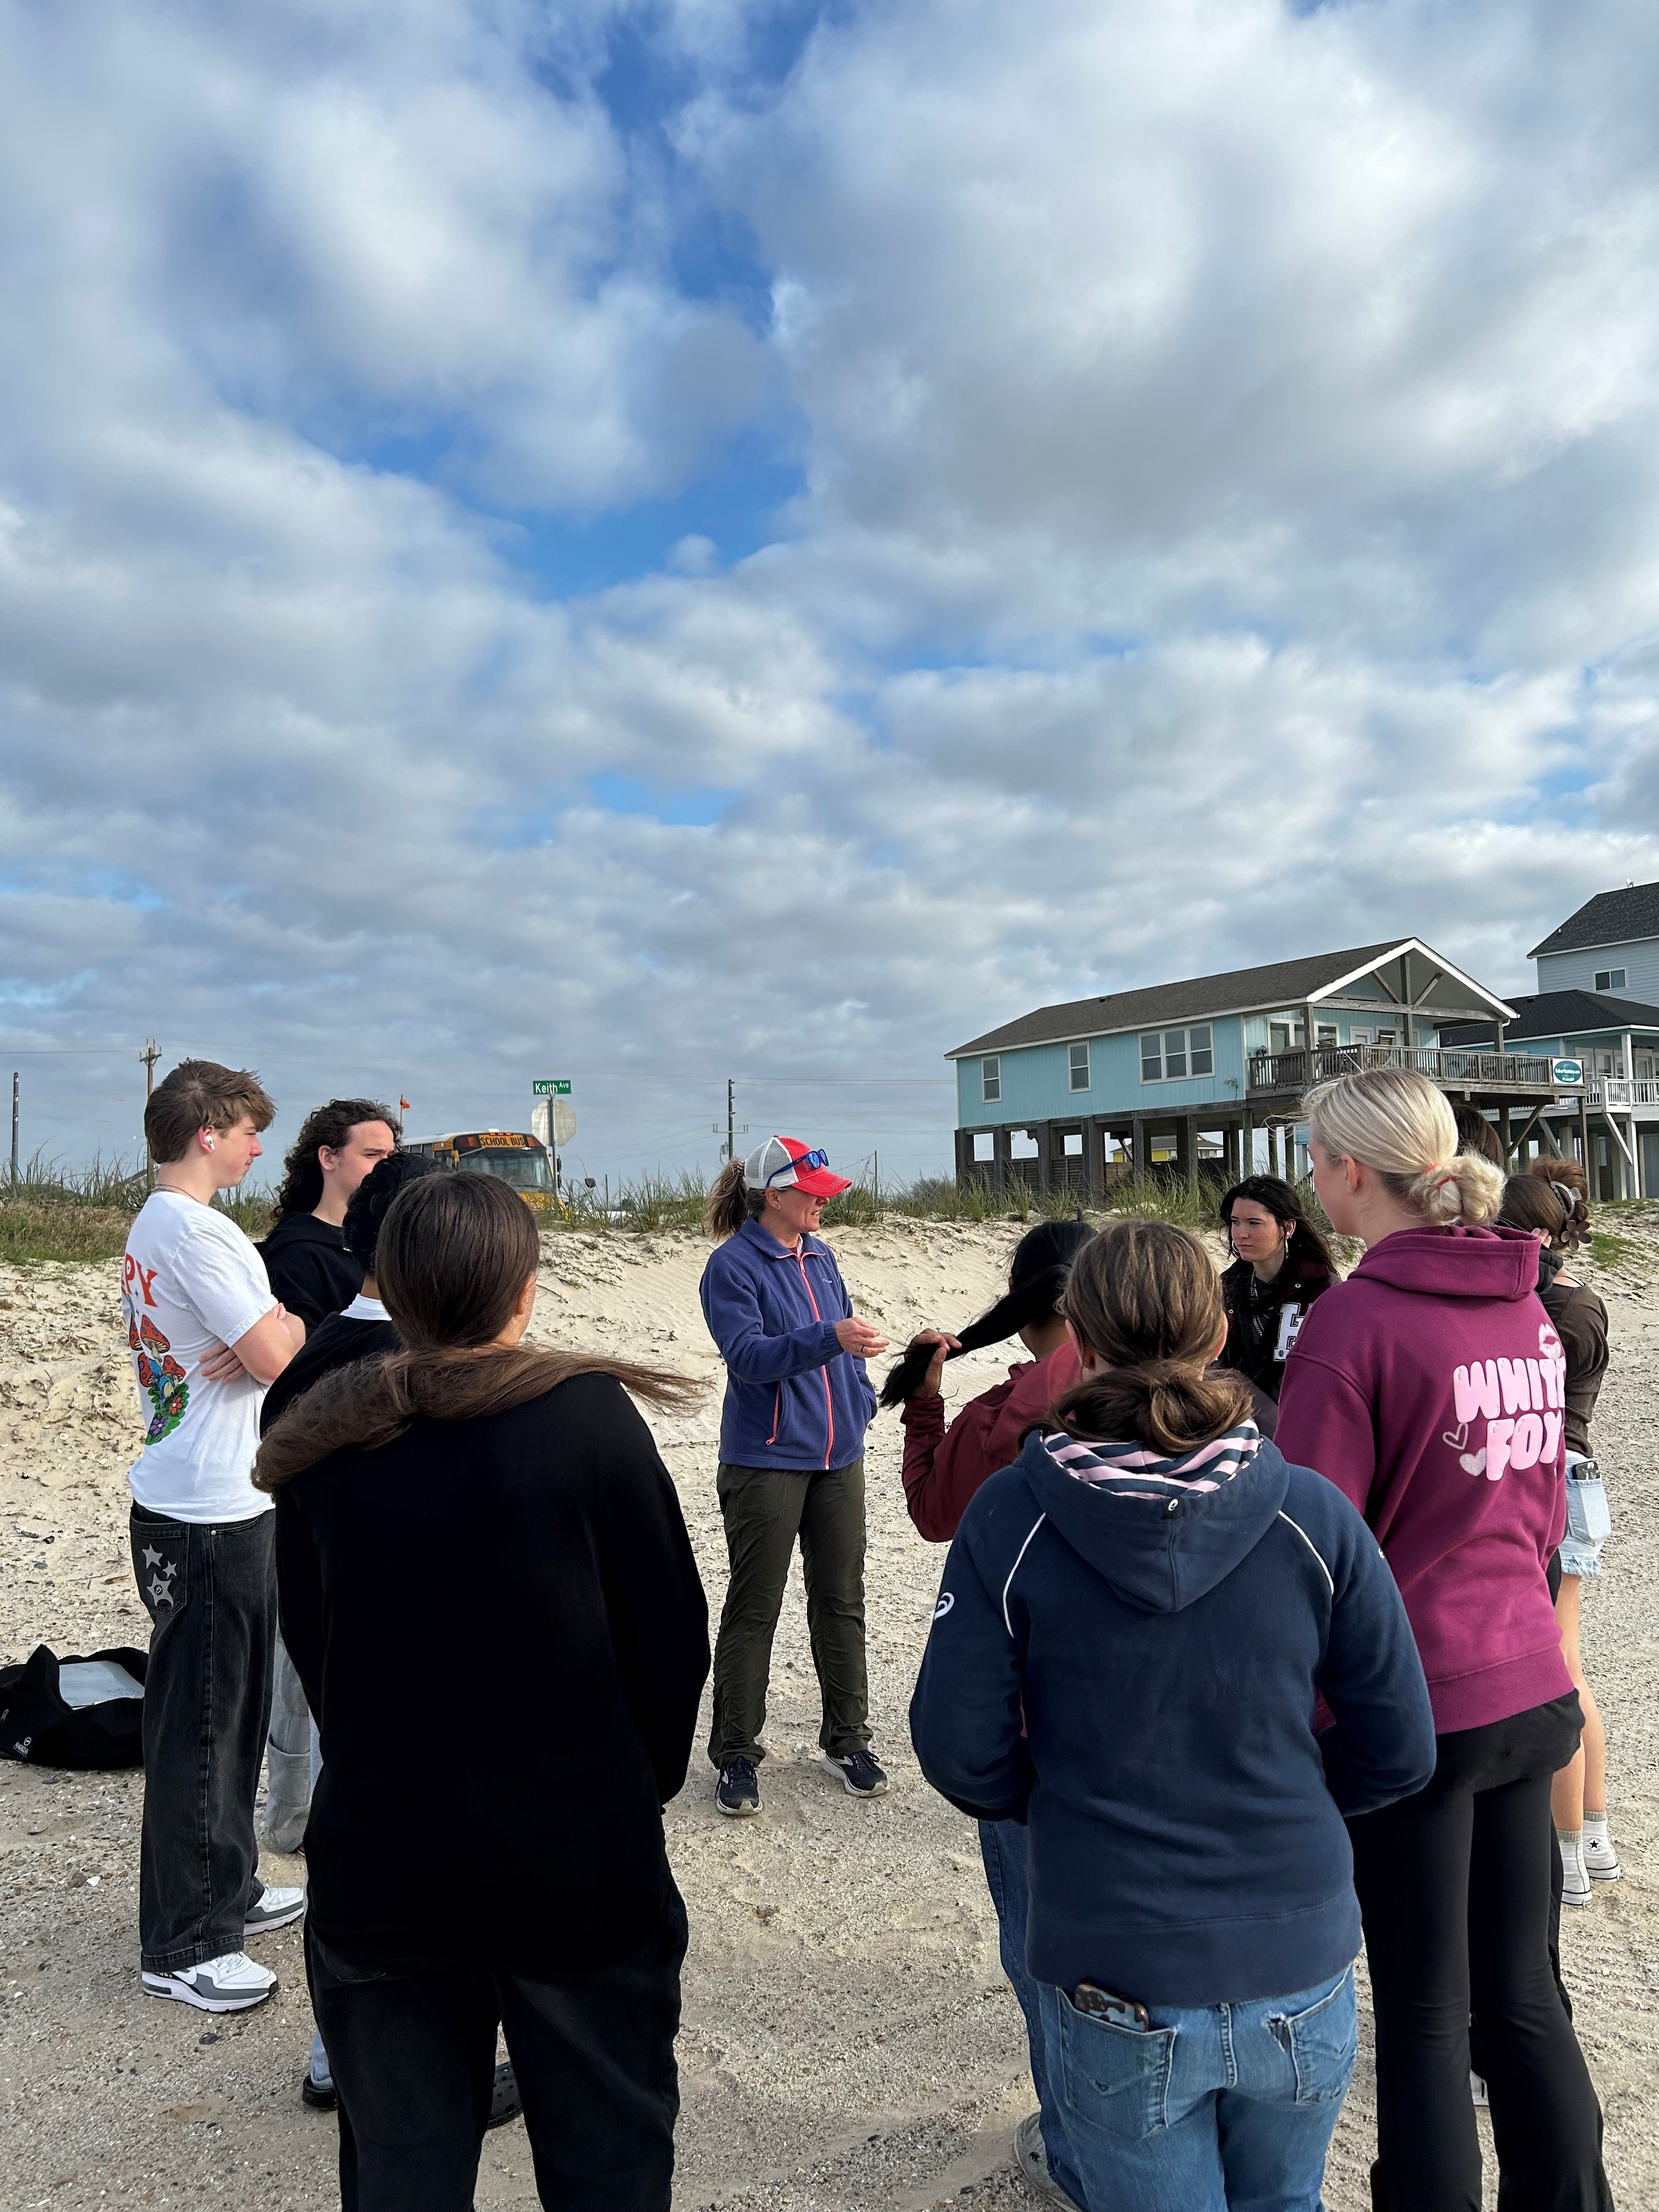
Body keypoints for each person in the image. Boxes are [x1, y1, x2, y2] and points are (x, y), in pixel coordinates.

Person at [910, 1218, 1436, 2212]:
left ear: (1080, 1342)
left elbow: (956, 1747)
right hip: (1295, 1954)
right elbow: (1399, 1743)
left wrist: (1057, 1805)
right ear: (1215, 1336)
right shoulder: (1311, 1512)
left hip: (1117, 1960)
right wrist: (1290, 1801)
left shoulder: (1014, 1516)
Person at [257, 1172, 709, 2212]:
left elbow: (316, 1650)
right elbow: (668, 1641)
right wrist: (629, 1787)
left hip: (384, 1865)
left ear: (393, 1288)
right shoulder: (587, 1419)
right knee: (608, 2166)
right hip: (574, 1869)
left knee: (402, 2175)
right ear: (524, 1291)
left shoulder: (328, 1434)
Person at [1275, 1068, 1611, 2212]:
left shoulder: (1353, 1321)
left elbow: (1313, 1541)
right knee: (1522, 1998)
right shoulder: (1521, 1303)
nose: (1313, 1180)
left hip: (1414, 1702)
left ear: (1348, 1171)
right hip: (1526, 1676)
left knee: (1425, 2015)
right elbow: (1543, 1509)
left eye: (1314, 1161)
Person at [122, 1059, 307, 2014]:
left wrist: (267, 1328)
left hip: (211, 1496)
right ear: (207, 1133)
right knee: (202, 1725)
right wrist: (281, 1323)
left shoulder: (159, 1224)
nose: (256, 1148)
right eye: (245, 1132)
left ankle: (226, 1886)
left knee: (231, 1714)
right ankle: (186, 1942)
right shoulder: (196, 1232)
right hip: (203, 1511)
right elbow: (277, 1354)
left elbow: (257, 1347)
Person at [699, 1136, 887, 1819]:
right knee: (756, 1608)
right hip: (766, 1461)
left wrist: (860, 1398)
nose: (823, 1203)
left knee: (841, 1600)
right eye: (813, 1193)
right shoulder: (731, 1266)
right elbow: (749, 1358)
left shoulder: (821, 1255)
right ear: (775, 1196)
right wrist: (831, 1338)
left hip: (840, 1458)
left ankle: (848, 1742)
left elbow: (846, 1345)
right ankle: (736, 1754)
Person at [1499, 1165, 1619, 1906]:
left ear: (1538, 1234)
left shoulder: (1559, 1309)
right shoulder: (1573, 1300)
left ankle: (1568, 1851)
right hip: (1574, 1480)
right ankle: (1593, 1835)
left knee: (1558, 1674)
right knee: (1570, 1665)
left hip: (1558, 1482)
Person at [258, 1100, 399, 1331]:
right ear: (329, 1158)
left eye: (391, 1156)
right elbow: (303, 1345)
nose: (387, 1166)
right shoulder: (297, 1253)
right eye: (372, 1154)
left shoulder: (394, 1240)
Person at [1216, 1175, 1338, 1401]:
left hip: (1300, 1411)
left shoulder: (1323, 1289)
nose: (1241, 1233)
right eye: (1235, 1222)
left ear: (1288, 1227)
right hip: (1235, 1411)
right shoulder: (1225, 1287)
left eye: (1254, 1222)